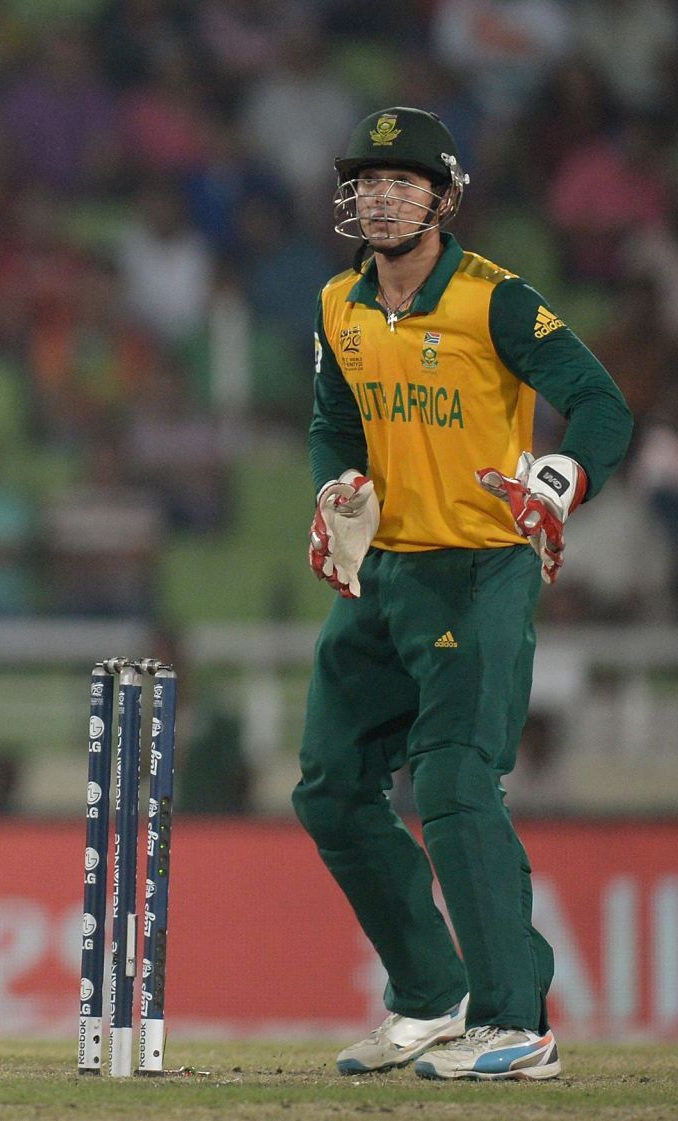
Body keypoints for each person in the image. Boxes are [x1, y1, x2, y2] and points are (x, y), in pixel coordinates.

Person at [298, 108, 633, 1082]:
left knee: (451, 780)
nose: (383, 197)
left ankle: (516, 1020)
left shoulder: (494, 299)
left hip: (480, 566)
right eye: (368, 182)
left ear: (442, 198)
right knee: (328, 787)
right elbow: (332, 421)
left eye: (404, 182)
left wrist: (566, 474)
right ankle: (430, 993)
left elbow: (602, 403)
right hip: (383, 572)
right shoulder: (338, 304)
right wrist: (336, 486)